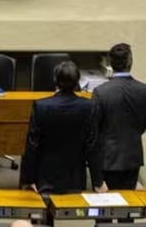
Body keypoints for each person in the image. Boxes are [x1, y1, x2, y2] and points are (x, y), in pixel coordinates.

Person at [20, 60, 105, 194]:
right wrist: (98, 181)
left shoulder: (41, 106)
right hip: (75, 177)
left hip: (46, 176)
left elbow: (32, 145)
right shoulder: (89, 107)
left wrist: (28, 179)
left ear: (55, 80)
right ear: (77, 82)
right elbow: (92, 146)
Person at [92, 43, 146, 189]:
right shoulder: (143, 90)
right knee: (129, 205)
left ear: (110, 63)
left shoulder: (100, 92)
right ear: (130, 62)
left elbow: (94, 128)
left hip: (107, 159)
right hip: (132, 157)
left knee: (107, 207)